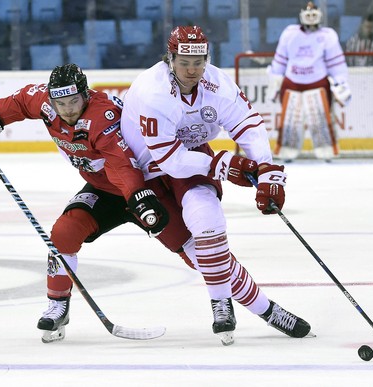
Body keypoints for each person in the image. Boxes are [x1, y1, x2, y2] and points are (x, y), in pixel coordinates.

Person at [0, 63, 309, 345]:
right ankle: (57, 307)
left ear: (86, 95)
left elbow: (122, 166)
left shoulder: (103, 117)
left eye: (73, 102)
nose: (66, 110)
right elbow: (21, 101)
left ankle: (265, 309)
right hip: (106, 192)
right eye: (60, 103)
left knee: (199, 254)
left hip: (144, 187)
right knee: (62, 234)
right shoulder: (48, 103)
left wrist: (140, 200)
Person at [120, 25, 311, 346]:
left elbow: (248, 124)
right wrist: (223, 164)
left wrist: (267, 169)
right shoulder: (152, 92)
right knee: (197, 254)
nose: (192, 71)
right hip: (140, 175)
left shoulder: (217, 83)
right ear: (170, 59)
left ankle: (225, 304)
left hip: (191, 156)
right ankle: (263, 308)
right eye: (184, 63)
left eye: (199, 62)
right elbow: (168, 160)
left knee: (208, 223)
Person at [266, 1, 351, 161]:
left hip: (318, 83)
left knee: (321, 121)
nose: (311, 19)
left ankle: (327, 153)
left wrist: (341, 83)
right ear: (301, 16)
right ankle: (286, 153)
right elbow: (280, 60)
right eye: (308, 15)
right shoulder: (289, 34)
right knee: (291, 122)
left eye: (314, 15)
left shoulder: (327, 35)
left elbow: (336, 64)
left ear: (319, 16)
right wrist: (274, 82)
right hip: (292, 83)